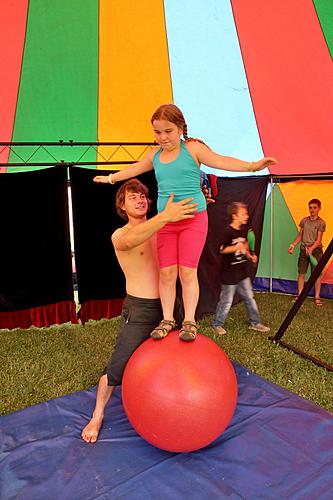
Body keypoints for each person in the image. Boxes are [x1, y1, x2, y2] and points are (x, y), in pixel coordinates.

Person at [94, 103, 277, 341]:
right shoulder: (155, 156)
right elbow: (136, 167)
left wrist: (252, 166)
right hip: (167, 222)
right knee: (167, 273)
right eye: (157, 132)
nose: (162, 137)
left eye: (167, 131)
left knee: (187, 272)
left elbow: (221, 161)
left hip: (193, 220)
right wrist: (111, 178)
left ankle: (189, 321)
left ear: (180, 128)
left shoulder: (192, 149)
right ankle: (168, 318)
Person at [81, 179, 198, 443]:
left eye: (143, 196)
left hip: (170, 305)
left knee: (180, 354)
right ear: (121, 206)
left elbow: (190, 230)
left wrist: (196, 206)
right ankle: (97, 415)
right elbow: (132, 240)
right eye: (132, 197)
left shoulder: (164, 225)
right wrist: (166, 216)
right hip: (141, 308)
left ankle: (179, 402)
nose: (140, 200)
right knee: (117, 367)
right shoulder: (120, 234)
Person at [212, 202, 270, 335]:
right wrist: (235, 248)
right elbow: (221, 249)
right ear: (234, 216)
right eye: (243, 214)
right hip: (229, 275)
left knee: (250, 298)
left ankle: (255, 323)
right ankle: (217, 324)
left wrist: (250, 257)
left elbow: (245, 248)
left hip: (242, 273)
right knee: (226, 301)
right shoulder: (227, 232)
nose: (247, 216)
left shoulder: (243, 231)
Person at [288, 199, 326, 306]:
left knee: (316, 274)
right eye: (310, 207)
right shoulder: (304, 221)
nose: (312, 210)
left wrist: (311, 249)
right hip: (304, 250)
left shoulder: (321, 223)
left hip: (316, 251)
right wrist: (293, 245)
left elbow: (318, 240)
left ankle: (317, 297)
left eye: (315, 207)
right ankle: (300, 295)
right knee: (301, 273)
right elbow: (300, 236)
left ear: (319, 209)